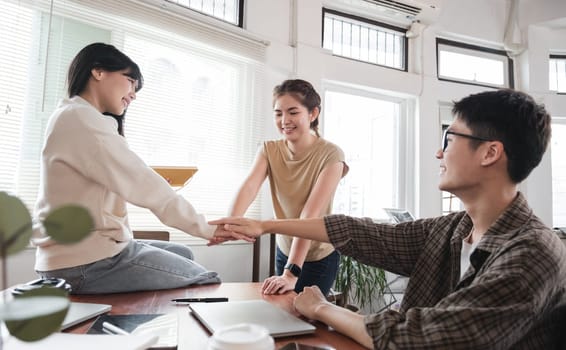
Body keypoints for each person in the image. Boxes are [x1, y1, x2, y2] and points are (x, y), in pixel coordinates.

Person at [211, 89, 566, 349]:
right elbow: (361, 233)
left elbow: (424, 338)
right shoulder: (452, 229)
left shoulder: (533, 252)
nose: (439, 151)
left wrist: (321, 307)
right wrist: (265, 225)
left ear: (490, 152)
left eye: (449, 137)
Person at [32, 42, 248, 294]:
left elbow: (127, 180)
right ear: (98, 71)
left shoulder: (75, 116)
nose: (134, 93)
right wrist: (207, 228)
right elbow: (145, 184)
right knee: (205, 279)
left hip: (81, 253)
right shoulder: (81, 118)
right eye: (130, 81)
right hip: (84, 263)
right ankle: (130, 329)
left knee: (184, 252)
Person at [227, 79, 348, 295]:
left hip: (318, 256)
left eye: (293, 112)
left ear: (313, 114)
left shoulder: (332, 155)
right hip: (284, 249)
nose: (284, 121)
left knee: (309, 320)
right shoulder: (268, 150)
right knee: (283, 314)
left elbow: (310, 215)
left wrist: (291, 273)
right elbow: (249, 188)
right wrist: (229, 225)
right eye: (278, 113)